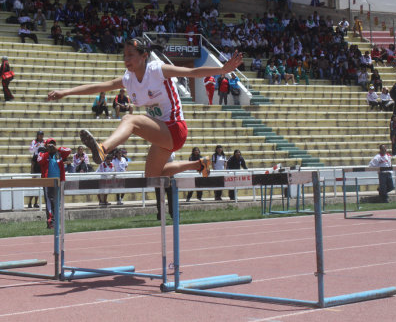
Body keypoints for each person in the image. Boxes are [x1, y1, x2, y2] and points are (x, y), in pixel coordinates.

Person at [47, 38, 243, 180]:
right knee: (152, 177)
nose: (126, 59)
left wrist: (221, 70)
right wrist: (66, 92)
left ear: (144, 56)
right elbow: (99, 87)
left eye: (131, 55)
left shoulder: (157, 70)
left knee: (129, 119)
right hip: (160, 133)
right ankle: (199, 164)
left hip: (175, 128)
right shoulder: (128, 79)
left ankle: (103, 148)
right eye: (124, 55)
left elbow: (192, 72)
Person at [37, 138, 71, 228]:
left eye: (53, 144)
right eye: (49, 144)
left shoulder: (59, 154)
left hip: (59, 181)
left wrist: (56, 149)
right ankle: (50, 221)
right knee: (49, 202)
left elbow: (68, 150)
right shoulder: (43, 153)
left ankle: (55, 220)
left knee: (57, 202)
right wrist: (48, 151)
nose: (51, 146)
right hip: (48, 181)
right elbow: (40, 160)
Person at [28, 130, 45, 208]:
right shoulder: (34, 142)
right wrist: (36, 146)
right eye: (39, 135)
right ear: (37, 135)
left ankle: (36, 202)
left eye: (42, 135)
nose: (41, 136)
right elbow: (30, 150)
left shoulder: (44, 142)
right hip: (36, 160)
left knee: (39, 184)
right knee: (33, 184)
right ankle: (30, 202)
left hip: (42, 161)